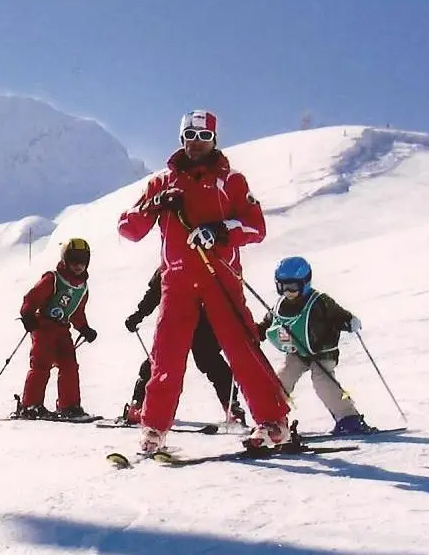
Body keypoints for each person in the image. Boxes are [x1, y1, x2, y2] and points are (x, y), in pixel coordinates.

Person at [118, 109, 290, 454]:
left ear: (214, 140)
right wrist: (155, 204)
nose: (197, 144)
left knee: (241, 346)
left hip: (219, 277)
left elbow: (256, 226)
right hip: (177, 281)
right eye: (190, 137)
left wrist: (220, 231)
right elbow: (128, 228)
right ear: (181, 139)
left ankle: (273, 421)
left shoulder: (232, 181)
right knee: (166, 354)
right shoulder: (162, 182)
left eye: (204, 137)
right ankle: (154, 427)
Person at [258, 256, 377, 435]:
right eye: (282, 286)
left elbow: (338, 315)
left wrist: (349, 321)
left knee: (323, 382)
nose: (288, 292)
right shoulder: (279, 305)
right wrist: (256, 332)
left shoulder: (319, 301)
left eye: (292, 287)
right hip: (297, 353)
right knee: (280, 381)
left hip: (323, 351)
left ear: (305, 283)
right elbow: (269, 322)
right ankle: (274, 421)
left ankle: (349, 418)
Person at [120, 268, 246, 426]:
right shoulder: (171, 263)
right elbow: (155, 292)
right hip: (176, 321)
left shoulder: (208, 264)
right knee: (160, 363)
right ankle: (138, 404)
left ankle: (232, 407)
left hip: (203, 324)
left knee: (210, 361)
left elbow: (225, 294)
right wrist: (139, 314)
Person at [14, 238, 98, 421]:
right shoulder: (53, 279)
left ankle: (69, 405)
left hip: (62, 330)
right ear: (65, 259)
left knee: (69, 366)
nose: (78, 265)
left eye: (82, 260)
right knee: (41, 364)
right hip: (43, 326)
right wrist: (27, 314)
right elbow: (32, 297)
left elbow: (77, 312)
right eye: (74, 259)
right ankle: (30, 405)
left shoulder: (82, 288)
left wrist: (84, 328)